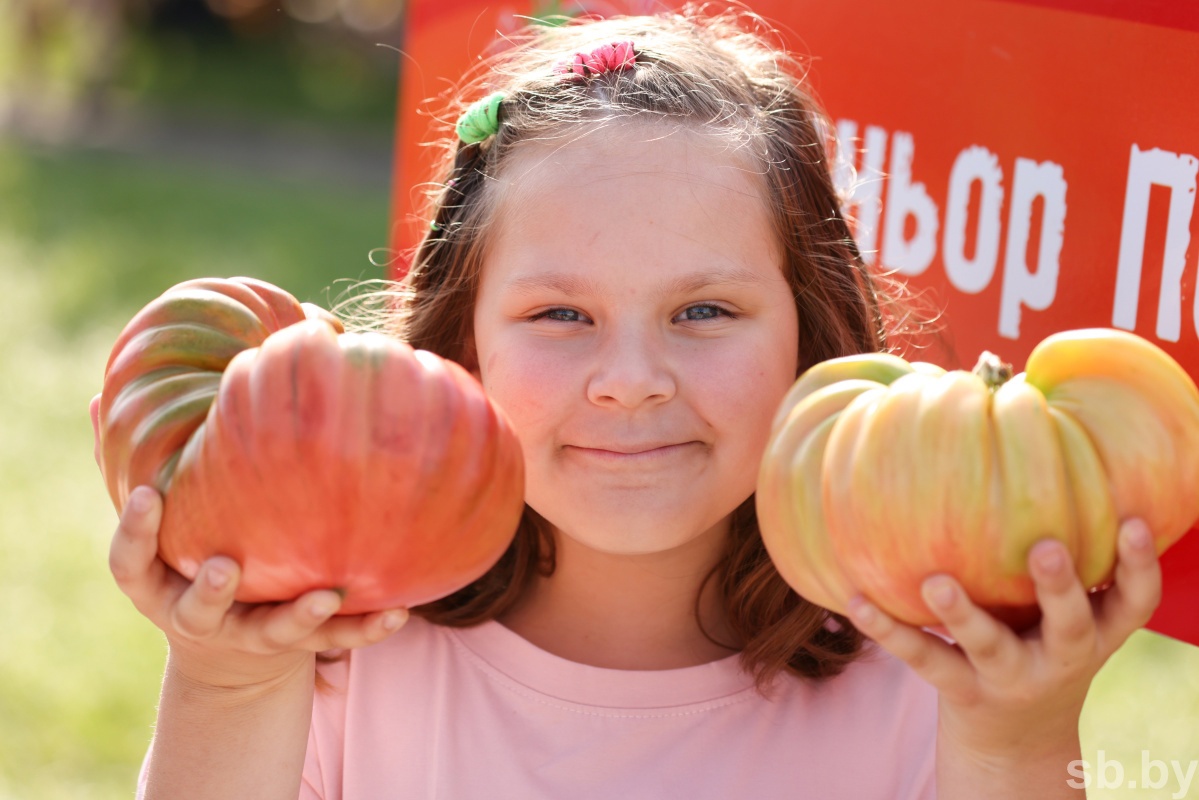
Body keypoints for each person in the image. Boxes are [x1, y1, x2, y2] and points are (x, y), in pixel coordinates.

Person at [92, 9, 1164, 799]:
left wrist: (1019, 739)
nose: (631, 377)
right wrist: (224, 679)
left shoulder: (932, 673)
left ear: (813, 329)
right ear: (457, 337)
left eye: (702, 310)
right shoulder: (334, 651)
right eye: (560, 315)